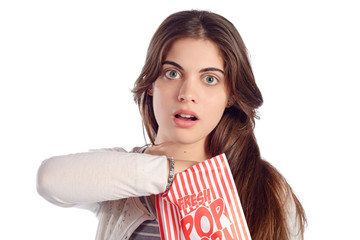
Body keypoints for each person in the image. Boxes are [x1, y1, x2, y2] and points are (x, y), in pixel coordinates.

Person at [37, 10, 306, 240]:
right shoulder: (119, 181)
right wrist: (183, 175)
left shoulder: (265, 187)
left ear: (231, 96)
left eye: (210, 79)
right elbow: (49, 180)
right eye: (172, 73)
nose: (187, 93)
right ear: (152, 84)